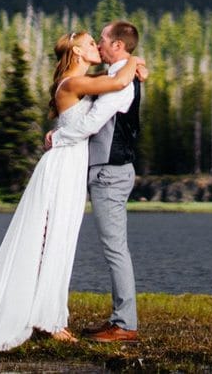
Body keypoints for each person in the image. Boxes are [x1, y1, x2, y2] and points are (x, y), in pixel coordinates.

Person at [0, 30, 147, 368]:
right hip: (62, 165)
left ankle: (51, 316)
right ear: (75, 49)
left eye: (98, 41)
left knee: (61, 238)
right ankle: (49, 319)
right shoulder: (72, 83)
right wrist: (133, 59)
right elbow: (115, 86)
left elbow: (115, 83)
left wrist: (132, 62)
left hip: (73, 165)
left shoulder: (82, 79)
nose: (95, 47)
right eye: (90, 43)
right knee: (50, 238)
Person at [82, 19, 143, 342]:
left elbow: (93, 123)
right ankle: (121, 320)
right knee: (114, 248)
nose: (100, 45)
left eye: (103, 39)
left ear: (118, 45)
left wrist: (59, 137)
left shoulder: (123, 82)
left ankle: (125, 324)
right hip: (107, 170)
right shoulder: (119, 75)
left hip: (110, 172)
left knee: (115, 249)